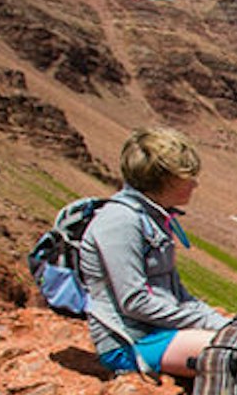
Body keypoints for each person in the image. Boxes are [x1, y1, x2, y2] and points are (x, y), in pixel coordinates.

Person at [80, 127, 228, 377]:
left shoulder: (153, 218)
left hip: (162, 331)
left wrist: (224, 324)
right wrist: (210, 325)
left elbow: (178, 295)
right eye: (187, 177)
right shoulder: (120, 221)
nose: (195, 184)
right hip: (131, 341)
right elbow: (134, 302)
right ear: (164, 180)